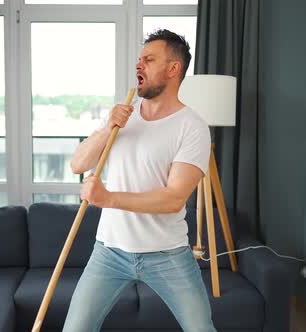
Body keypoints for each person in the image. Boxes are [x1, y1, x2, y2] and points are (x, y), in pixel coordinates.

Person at [64, 29, 216, 332]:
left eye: (149, 59)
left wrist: (108, 199)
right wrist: (108, 129)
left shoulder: (193, 127)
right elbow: (78, 163)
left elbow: (174, 197)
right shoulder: (122, 117)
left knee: (201, 329)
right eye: (138, 59)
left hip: (167, 254)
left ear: (173, 69)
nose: (139, 66)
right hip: (109, 252)